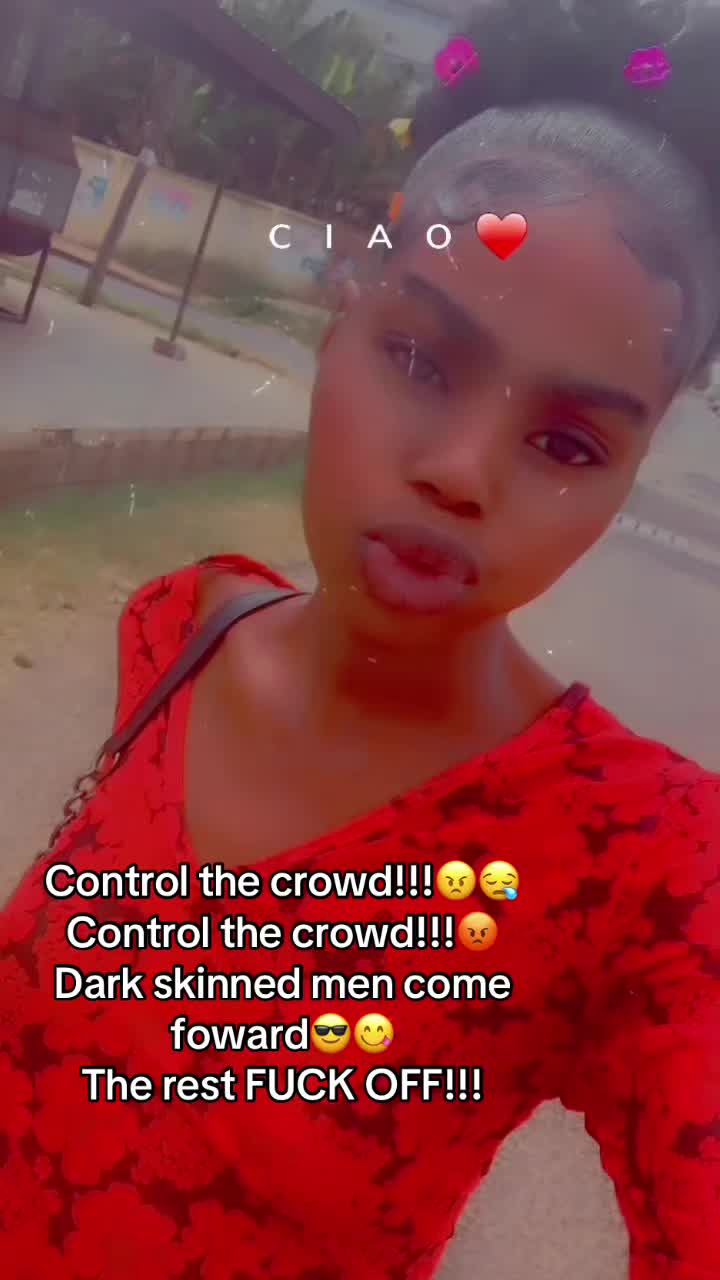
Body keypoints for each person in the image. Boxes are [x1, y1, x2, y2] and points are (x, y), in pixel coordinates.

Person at [1, 16, 719, 1280]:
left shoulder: (641, 864)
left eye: (568, 443)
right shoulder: (182, 625)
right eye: (420, 357)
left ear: (634, 464)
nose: (460, 471)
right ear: (343, 311)